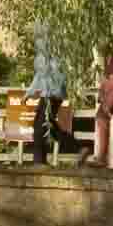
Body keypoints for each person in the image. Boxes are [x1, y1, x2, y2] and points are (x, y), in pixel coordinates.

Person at [25, 25, 73, 161]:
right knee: (47, 126)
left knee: (39, 127)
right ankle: (40, 161)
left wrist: (29, 93)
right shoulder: (52, 52)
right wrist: (29, 93)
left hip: (52, 94)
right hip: (53, 94)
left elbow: (45, 75)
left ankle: (39, 163)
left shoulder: (53, 54)